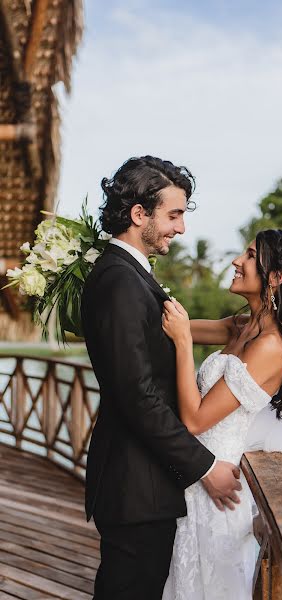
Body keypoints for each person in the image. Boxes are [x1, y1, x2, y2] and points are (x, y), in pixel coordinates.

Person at [80, 156, 241, 600]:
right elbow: (138, 397)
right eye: (174, 215)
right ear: (138, 215)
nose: (181, 228)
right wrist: (205, 467)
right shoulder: (119, 282)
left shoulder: (131, 276)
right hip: (136, 487)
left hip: (145, 482)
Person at [161, 229, 282, 599]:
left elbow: (194, 419)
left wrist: (182, 342)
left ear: (275, 277)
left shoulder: (272, 347)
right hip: (195, 477)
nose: (236, 261)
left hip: (219, 489)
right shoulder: (242, 326)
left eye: (249, 255)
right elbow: (166, 327)